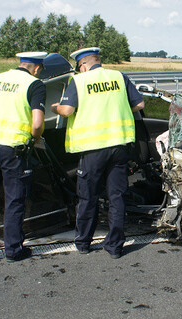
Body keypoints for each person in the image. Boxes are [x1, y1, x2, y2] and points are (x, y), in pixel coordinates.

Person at [51, 47, 144, 259]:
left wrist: (56, 107)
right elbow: (139, 103)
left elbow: (66, 111)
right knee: (117, 196)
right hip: (119, 146)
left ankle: (83, 242)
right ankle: (115, 247)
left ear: (82, 65)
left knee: (88, 197)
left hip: (92, 149)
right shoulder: (119, 77)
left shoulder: (79, 81)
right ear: (98, 60)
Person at [0, 52, 47, 266]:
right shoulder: (34, 84)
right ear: (37, 68)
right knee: (14, 199)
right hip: (13, 148)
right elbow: (38, 123)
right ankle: (13, 249)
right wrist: (34, 137)